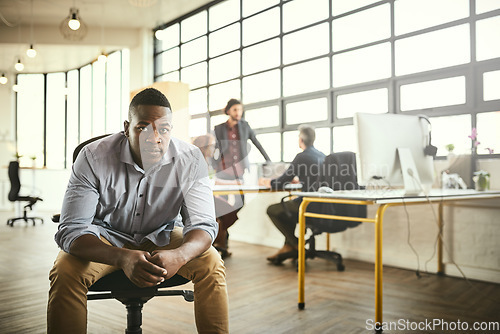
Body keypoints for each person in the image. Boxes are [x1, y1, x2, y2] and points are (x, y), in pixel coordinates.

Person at [47, 88, 229, 333]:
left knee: (211, 263)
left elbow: (203, 225)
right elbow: (71, 231)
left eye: (163, 129)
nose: (155, 137)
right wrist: (122, 257)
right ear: (127, 127)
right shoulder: (92, 157)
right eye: (143, 127)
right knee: (65, 270)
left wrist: (181, 255)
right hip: (107, 238)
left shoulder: (190, 159)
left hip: (162, 235)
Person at [259, 125, 325, 262]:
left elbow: (281, 182)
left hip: (307, 204)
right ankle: (288, 247)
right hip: (323, 205)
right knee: (288, 210)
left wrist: (267, 182)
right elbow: (313, 178)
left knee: (273, 210)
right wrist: (298, 179)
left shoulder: (302, 156)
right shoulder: (322, 156)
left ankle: (295, 244)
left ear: (301, 140)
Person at [193, 134, 240, 259]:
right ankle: (215, 243)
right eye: (212, 146)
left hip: (206, 196)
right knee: (227, 213)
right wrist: (232, 183)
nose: (214, 149)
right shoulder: (196, 160)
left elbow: (212, 180)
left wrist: (233, 183)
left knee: (226, 214)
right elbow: (207, 182)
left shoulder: (206, 161)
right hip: (198, 198)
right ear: (204, 147)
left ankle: (218, 243)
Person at [213, 98, 271, 182]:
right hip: (223, 170)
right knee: (221, 194)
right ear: (229, 111)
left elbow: (257, 143)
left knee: (240, 194)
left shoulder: (245, 127)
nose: (238, 113)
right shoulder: (219, 128)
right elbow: (213, 148)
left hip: (239, 170)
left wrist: (268, 160)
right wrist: (214, 165)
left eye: (240, 110)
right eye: (235, 110)